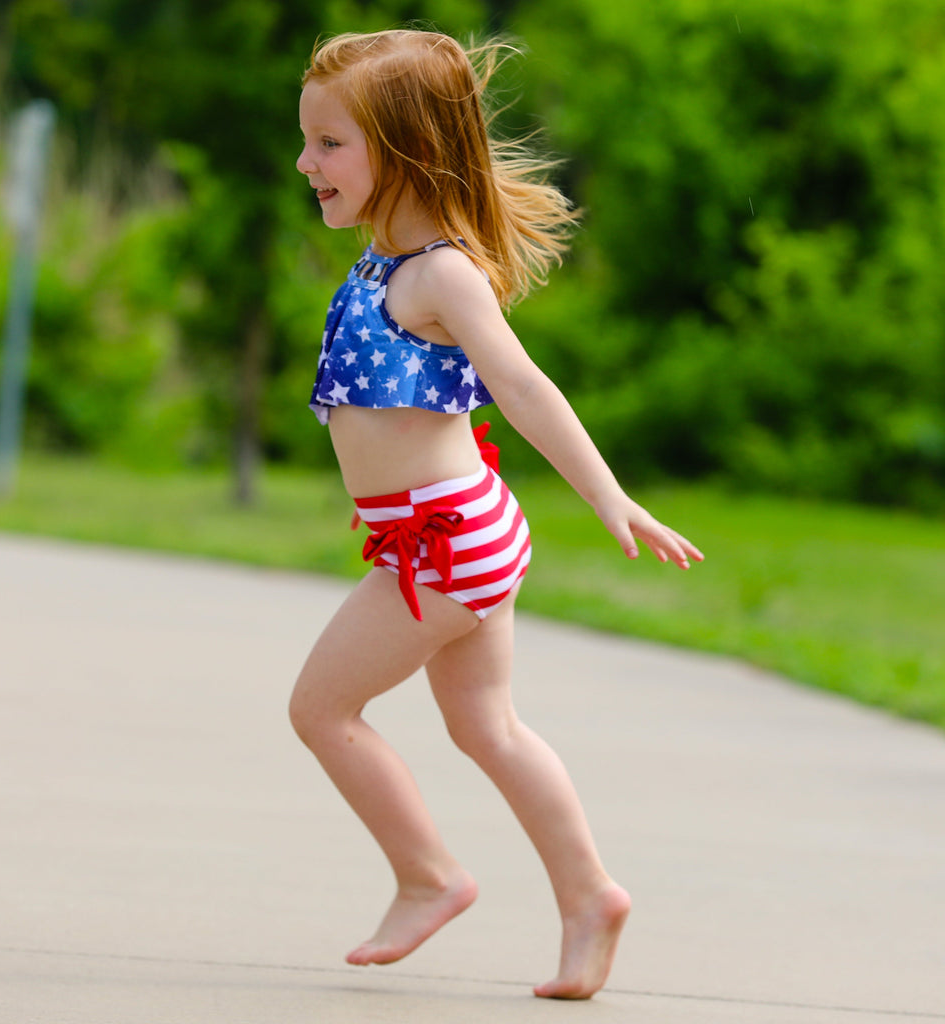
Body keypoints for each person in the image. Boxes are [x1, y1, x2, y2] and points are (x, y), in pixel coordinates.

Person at [289, 28, 704, 1000]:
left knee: (321, 708)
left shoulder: (439, 274)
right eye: (306, 140)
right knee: (487, 726)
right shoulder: (381, 263)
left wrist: (609, 495)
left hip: (444, 538)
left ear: (406, 148)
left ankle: (428, 876)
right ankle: (589, 894)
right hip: (449, 527)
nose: (306, 162)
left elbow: (522, 385)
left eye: (329, 142)